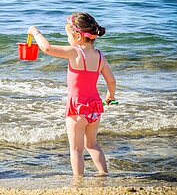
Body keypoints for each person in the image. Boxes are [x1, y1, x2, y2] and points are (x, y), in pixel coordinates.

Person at [27, 12, 116, 176]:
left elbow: (46, 48)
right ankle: (104, 174)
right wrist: (110, 96)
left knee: (76, 149)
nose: (67, 39)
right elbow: (111, 80)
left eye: (68, 35)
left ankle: (78, 180)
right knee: (92, 144)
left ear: (78, 36)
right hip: (95, 107)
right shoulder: (100, 57)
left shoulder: (75, 52)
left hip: (77, 108)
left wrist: (35, 32)